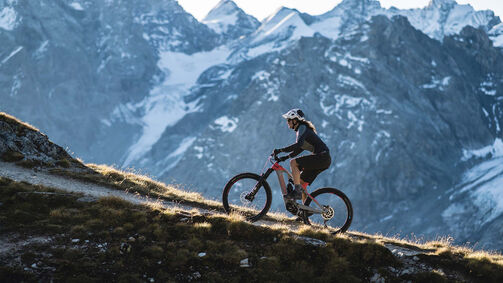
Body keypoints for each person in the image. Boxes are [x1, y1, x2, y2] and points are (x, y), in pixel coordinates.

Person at [273, 108, 331, 201]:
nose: (287, 122)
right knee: (301, 183)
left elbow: (298, 145)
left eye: (289, 120)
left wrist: (280, 150)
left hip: (322, 157)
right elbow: (300, 149)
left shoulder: (302, 128)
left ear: (295, 120)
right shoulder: (303, 129)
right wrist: (286, 157)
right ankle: (304, 213)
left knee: (293, 163)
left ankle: (297, 193)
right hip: (324, 160)